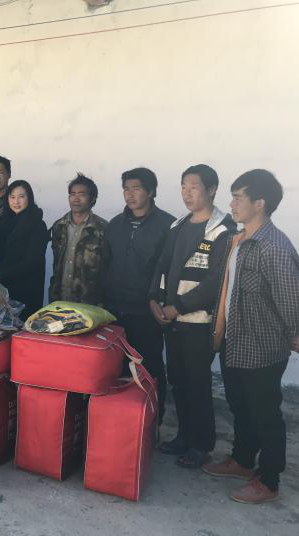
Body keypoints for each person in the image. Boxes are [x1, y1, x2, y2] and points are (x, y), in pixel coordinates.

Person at [202, 170, 299, 504]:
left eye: (238, 197)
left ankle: (269, 480)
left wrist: (295, 334)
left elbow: (290, 300)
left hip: (262, 347)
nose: (231, 204)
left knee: (265, 414)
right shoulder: (239, 239)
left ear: (260, 203)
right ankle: (242, 461)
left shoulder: (274, 247)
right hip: (235, 341)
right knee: (240, 406)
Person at [148, 164, 236, 468]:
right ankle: (184, 436)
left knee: (197, 383)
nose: (186, 193)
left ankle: (201, 444)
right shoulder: (178, 226)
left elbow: (216, 282)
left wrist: (178, 307)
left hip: (199, 323)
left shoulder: (223, 230)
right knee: (179, 380)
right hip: (171, 321)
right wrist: (154, 300)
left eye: (194, 187)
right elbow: (162, 265)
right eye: (183, 187)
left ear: (212, 190)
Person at [103, 167, 175, 423]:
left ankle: (153, 420)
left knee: (149, 367)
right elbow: (105, 264)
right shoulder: (115, 225)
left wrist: (157, 300)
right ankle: (123, 422)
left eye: (136, 189)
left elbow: (169, 270)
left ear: (151, 191)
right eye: (126, 189)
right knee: (117, 367)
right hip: (114, 310)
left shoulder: (168, 226)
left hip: (146, 311)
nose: (130, 194)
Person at [0, 180, 49, 320]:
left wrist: (0, 276)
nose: (16, 201)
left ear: (29, 198)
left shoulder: (37, 224)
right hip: (0, 290)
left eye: (21, 196)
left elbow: (32, 262)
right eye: (12, 197)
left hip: (25, 291)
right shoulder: (4, 220)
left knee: (20, 328)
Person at [49, 173, 108, 305]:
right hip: (59, 301)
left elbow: (108, 270)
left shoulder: (103, 229)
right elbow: (56, 266)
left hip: (89, 303)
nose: (76, 199)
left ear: (92, 198)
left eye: (82, 194)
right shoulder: (59, 226)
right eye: (72, 194)